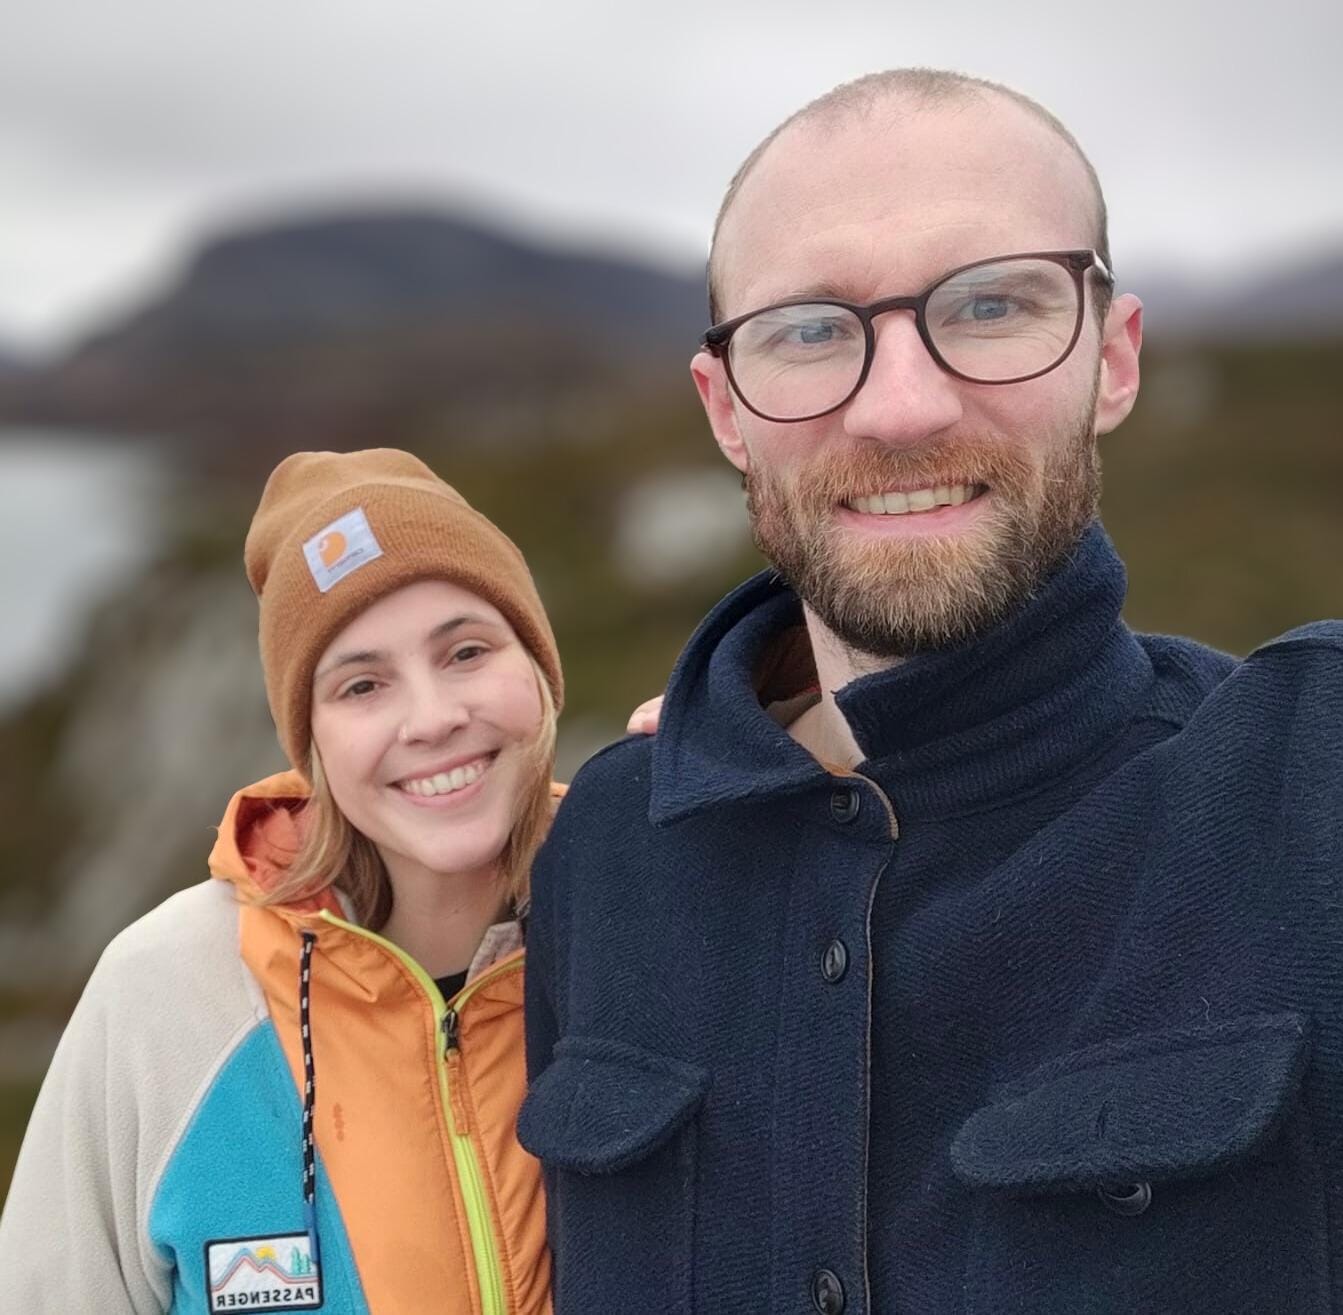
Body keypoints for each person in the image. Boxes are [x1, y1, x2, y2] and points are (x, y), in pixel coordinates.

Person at [520, 69, 1343, 1314]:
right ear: (726, 412)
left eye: (990, 304)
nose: (900, 409)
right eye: (807, 330)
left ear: (1113, 359)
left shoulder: (1305, 788)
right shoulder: (603, 852)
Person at [0, 449, 567, 1313]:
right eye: (362, 684)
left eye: (465, 650)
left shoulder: (659, 920)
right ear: (311, 743)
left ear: (538, 668)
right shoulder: (166, 992)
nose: (431, 717)